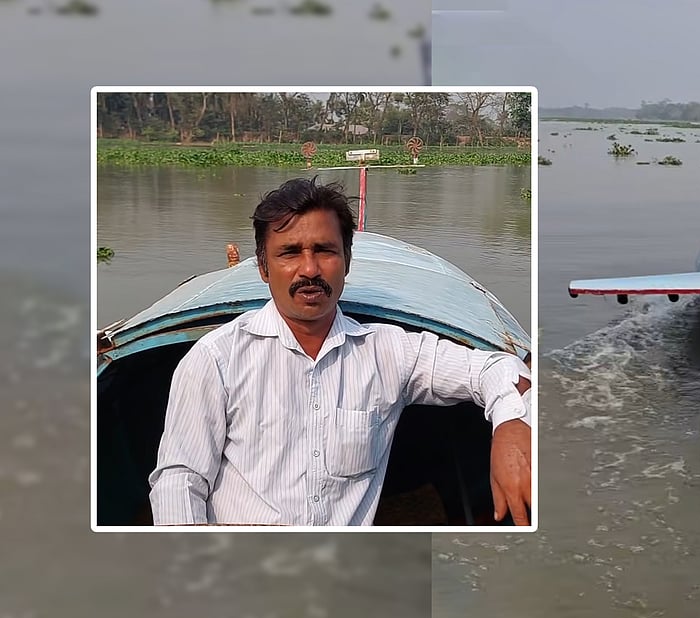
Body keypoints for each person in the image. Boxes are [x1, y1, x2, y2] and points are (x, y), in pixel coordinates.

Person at [147, 176, 533, 527]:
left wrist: (512, 425)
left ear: (347, 261)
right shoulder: (216, 359)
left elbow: (498, 368)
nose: (309, 269)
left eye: (324, 250)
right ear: (264, 267)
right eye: (290, 253)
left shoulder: (389, 351)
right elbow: (180, 480)